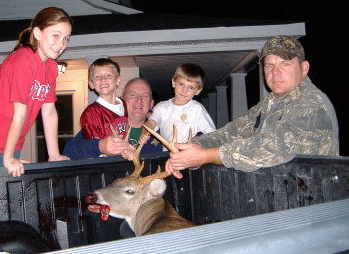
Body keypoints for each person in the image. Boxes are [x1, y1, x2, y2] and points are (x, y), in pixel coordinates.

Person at [165, 35, 339, 178]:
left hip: (313, 205)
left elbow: (272, 148)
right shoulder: (268, 103)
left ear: (304, 68)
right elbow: (232, 132)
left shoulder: (312, 104)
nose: (275, 72)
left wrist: (203, 156)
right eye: (270, 65)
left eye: (285, 64)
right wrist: (189, 148)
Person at [0, 7, 72, 177]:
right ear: (37, 33)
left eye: (66, 39)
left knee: (5, 199)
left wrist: (54, 155)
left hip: (11, 144)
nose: (61, 44)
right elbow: (19, 114)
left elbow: (49, 111)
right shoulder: (23, 60)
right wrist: (9, 158)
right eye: (56, 36)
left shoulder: (50, 68)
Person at [63, 78, 162, 159]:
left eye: (144, 96)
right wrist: (100, 146)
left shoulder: (161, 134)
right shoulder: (103, 125)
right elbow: (69, 151)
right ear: (122, 100)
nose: (139, 101)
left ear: (151, 104)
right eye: (133, 95)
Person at [139, 63, 215, 147]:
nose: (184, 90)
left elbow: (212, 134)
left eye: (191, 87)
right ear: (173, 82)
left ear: (198, 91)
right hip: (167, 154)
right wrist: (144, 132)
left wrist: (198, 140)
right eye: (181, 84)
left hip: (188, 155)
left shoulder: (197, 109)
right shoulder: (162, 107)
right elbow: (152, 122)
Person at [80, 58, 129, 141]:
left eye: (108, 75)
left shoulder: (123, 104)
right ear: (91, 84)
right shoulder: (90, 113)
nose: (103, 79)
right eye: (97, 77)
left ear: (118, 80)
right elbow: (94, 147)